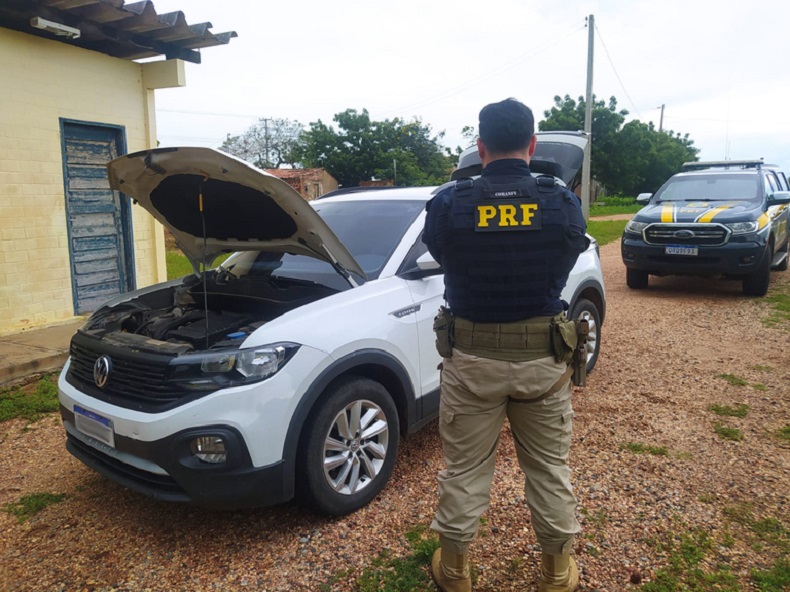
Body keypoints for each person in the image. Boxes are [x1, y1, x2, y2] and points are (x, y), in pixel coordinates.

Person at [422, 98, 589, 592]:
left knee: (466, 470)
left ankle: (454, 572)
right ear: (532, 144)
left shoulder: (450, 202)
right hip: (543, 361)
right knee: (549, 470)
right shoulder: (561, 201)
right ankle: (557, 574)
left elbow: (441, 252)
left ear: (480, 146)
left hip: (472, 361)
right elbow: (569, 251)